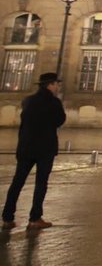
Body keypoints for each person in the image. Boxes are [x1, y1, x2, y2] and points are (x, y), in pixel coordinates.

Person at [2, 72, 65, 230]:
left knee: (17, 182)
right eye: (56, 84)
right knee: (41, 183)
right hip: (45, 148)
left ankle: (7, 217)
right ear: (50, 84)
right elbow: (60, 120)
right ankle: (35, 218)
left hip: (26, 147)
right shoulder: (54, 102)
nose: (58, 87)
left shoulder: (28, 100)